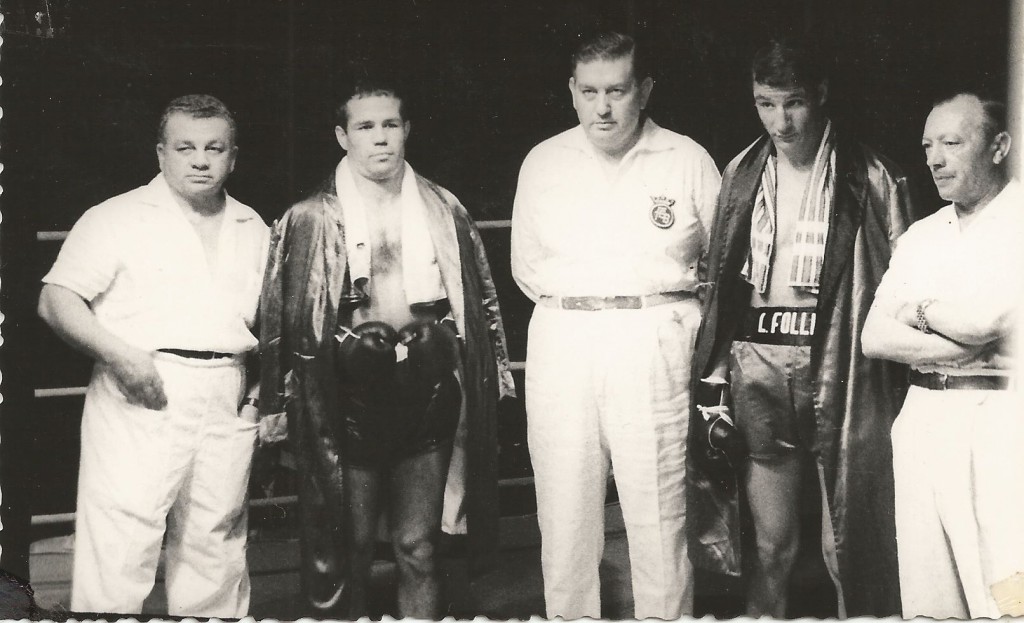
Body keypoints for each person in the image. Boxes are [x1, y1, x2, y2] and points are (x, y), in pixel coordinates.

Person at [257, 78, 515, 619]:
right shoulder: (310, 217)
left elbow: (481, 297)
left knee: (418, 548)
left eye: (390, 125)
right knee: (346, 550)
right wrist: (277, 405)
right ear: (341, 136)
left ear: (406, 131)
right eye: (365, 127)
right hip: (346, 398)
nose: (380, 139)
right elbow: (281, 319)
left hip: (425, 391)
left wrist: (491, 372)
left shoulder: (444, 208)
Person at [689, 37, 913, 617]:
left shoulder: (871, 174)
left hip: (841, 360)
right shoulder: (740, 173)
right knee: (771, 543)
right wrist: (715, 378)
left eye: (792, 104)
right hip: (757, 355)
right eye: (766, 104)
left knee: (850, 543)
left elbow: (905, 283)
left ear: (820, 96)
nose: (780, 121)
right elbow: (719, 285)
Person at [511, 31, 721, 619]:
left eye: (617, 91)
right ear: (572, 93)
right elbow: (526, 266)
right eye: (589, 92)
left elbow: (721, 263)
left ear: (645, 90)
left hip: (653, 336)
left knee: (659, 511)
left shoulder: (686, 159)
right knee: (564, 509)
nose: (603, 107)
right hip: (564, 337)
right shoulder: (544, 161)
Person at [37, 94, 269, 617]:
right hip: (140, 386)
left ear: (233, 157)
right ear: (161, 153)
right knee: (123, 535)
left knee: (217, 538)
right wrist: (121, 357)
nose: (201, 159)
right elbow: (56, 300)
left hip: (226, 389)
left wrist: (258, 392)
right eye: (185, 147)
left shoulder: (253, 227)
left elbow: (270, 324)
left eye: (215, 148)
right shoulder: (116, 217)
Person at [862, 92, 1024, 619]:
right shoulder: (922, 235)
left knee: (1005, 591)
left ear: (999, 145)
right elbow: (874, 337)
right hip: (923, 416)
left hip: (998, 420)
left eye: (952, 143)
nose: (935, 158)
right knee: (929, 597)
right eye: (928, 145)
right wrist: (960, 340)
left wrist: (917, 309)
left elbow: (987, 320)